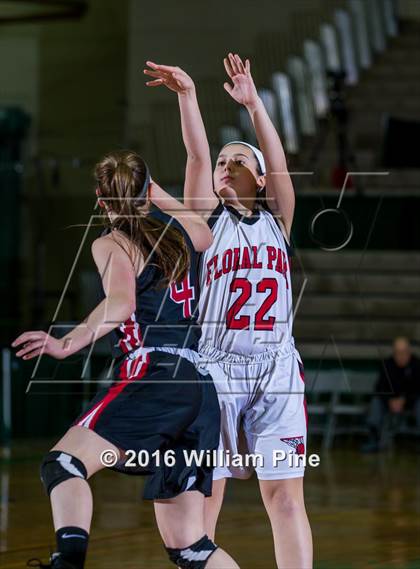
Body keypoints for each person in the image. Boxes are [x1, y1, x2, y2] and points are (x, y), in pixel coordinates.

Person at [13, 150, 240, 569]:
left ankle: (68, 562)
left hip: (155, 373)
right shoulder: (178, 233)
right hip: (200, 388)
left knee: (63, 464)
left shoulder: (112, 241)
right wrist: (155, 194)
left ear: (100, 199)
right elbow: (205, 234)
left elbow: (120, 303)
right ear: (147, 191)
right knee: (190, 547)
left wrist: (66, 343)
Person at [144, 53, 312, 569]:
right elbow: (196, 155)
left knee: (284, 500)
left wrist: (255, 105)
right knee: (206, 498)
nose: (224, 165)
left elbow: (278, 161)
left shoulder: (277, 220)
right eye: (223, 161)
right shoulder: (205, 224)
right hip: (217, 368)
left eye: (237, 161)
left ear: (259, 180)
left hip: (276, 365)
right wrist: (189, 97)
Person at [363, 337, 420, 452]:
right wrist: (390, 400)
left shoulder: (417, 365)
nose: (401, 356)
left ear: (409, 352)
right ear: (394, 353)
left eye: (404, 352)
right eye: (398, 353)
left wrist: (404, 400)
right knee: (376, 402)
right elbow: (379, 388)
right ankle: (374, 439)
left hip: (411, 401)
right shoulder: (387, 365)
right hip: (390, 402)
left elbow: (418, 389)